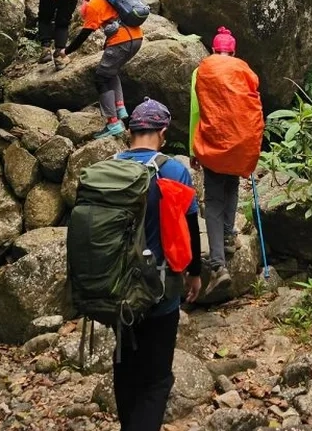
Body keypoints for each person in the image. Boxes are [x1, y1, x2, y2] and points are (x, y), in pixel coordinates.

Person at [114, 99, 202, 431]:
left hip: (117, 289)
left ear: (131, 131)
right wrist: (195, 274)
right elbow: (190, 228)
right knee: (157, 380)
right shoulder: (173, 170)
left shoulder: (108, 167)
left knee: (125, 370)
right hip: (160, 291)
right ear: (162, 133)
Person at [189, 26, 264, 301]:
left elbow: (197, 112)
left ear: (213, 49)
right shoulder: (244, 70)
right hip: (240, 142)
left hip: (214, 143)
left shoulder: (203, 70)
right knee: (231, 186)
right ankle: (229, 239)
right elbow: (253, 108)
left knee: (213, 200)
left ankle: (218, 264)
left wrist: (194, 149)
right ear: (233, 50)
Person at [66, 0, 143, 139]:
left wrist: (66, 51)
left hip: (121, 41)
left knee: (101, 78)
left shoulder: (95, 3)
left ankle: (113, 123)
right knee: (111, 73)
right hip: (137, 37)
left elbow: (84, 34)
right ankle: (120, 108)